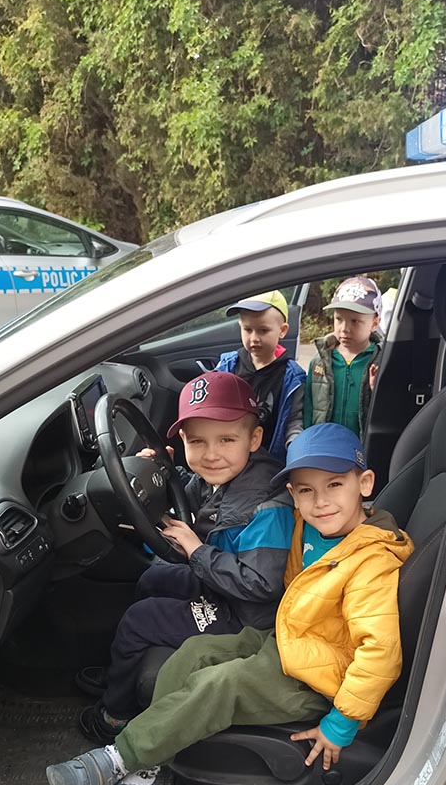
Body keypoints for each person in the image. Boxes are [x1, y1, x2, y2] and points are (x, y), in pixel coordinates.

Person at [47, 423, 414, 785]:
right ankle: (143, 781)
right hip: (289, 644)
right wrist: (165, 471)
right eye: (306, 490)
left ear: (364, 484)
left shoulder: (371, 562)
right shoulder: (310, 526)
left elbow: (380, 650)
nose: (321, 501)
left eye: (334, 485)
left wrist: (341, 724)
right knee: (192, 655)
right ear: (293, 496)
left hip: (322, 679)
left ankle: (119, 760)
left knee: (221, 683)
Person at [76, 369, 295, 746]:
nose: (211, 454)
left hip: (247, 617)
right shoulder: (227, 474)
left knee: (139, 620)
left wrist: (197, 551)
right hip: (222, 584)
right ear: (182, 440)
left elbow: (261, 584)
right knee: (151, 579)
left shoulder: (267, 506)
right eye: (197, 442)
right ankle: (122, 672)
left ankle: (116, 714)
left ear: (255, 438)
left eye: (226, 439)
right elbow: (194, 496)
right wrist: (163, 471)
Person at [217, 290, 305, 456]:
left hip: (268, 458)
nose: (254, 338)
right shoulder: (228, 365)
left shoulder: (293, 377)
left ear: (282, 330)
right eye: (248, 329)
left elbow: (294, 420)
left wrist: (295, 450)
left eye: (263, 330)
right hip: (228, 453)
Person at [303, 276, 383, 435]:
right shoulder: (320, 361)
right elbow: (308, 409)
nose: (344, 328)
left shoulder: (381, 361)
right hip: (324, 443)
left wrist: (378, 391)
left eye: (355, 321)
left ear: (375, 323)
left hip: (363, 446)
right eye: (339, 319)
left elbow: (390, 413)